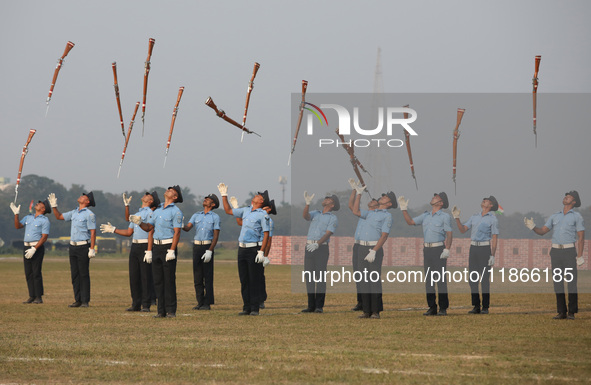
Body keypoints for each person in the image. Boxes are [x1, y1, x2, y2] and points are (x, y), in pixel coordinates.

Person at [524, 190, 585, 319]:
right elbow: (542, 231)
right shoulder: (554, 216)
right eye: (565, 196)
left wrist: (579, 255)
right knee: (557, 282)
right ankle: (561, 312)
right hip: (555, 252)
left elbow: (581, 237)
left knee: (571, 282)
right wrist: (533, 227)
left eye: (569, 197)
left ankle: (572, 312)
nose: (566, 197)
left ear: (573, 202)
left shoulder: (577, 217)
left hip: (569, 251)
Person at [100, 191, 160, 312]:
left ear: (150, 201)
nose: (145, 194)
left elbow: (151, 231)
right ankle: (135, 303)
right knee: (134, 276)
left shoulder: (151, 213)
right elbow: (128, 231)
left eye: (148, 195)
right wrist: (114, 229)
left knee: (145, 276)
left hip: (145, 245)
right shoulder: (138, 213)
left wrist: (149, 250)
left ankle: (145, 304)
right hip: (135, 245)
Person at [130, 186, 183, 318]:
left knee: (169, 279)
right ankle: (161, 311)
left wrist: (172, 250)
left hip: (168, 246)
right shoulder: (158, 210)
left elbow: (177, 232)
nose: (168, 191)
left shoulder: (176, 211)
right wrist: (140, 223)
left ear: (175, 197)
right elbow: (149, 228)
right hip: (156, 247)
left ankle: (171, 310)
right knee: (158, 280)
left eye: (171, 191)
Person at [218, 183, 270, 316]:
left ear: (261, 201)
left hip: (254, 249)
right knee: (244, 280)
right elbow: (228, 211)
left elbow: (266, 234)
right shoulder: (246, 210)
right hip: (242, 249)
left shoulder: (262, 214)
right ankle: (246, 307)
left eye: (259, 196)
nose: (256, 195)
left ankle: (254, 308)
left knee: (254, 279)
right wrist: (224, 195)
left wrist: (261, 252)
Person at [400, 192, 453, 316]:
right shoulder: (426, 215)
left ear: (441, 203)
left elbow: (449, 233)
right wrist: (404, 209)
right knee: (429, 280)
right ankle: (432, 307)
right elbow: (411, 222)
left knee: (440, 280)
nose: (433, 197)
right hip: (427, 250)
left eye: (437, 197)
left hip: (439, 249)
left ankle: (443, 308)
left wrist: (447, 249)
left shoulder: (445, 217)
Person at [351, 183, 394, 319]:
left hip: (374, 248)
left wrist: (374, 250)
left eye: (385, 197)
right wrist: (359, 193)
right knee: (363, 280)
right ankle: (366, 310)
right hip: (362, 248)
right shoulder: (370, 213)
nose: (381, 198)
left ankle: (375, 311)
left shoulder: (387, 216)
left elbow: (384, 235)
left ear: (389, 203)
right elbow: (355, 211)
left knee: (374, 280)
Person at [48, 191, 97, 308]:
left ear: (87, 201)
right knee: (75, 274)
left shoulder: (89, 214)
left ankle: (85, 301)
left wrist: (92, 248)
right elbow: (59, 216)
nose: (80, 196)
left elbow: (93, 232)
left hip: (83, 246)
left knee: (83, 274)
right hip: (73, 246)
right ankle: (77, 300)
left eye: (84, 196)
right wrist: (54, 206)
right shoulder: (74, 212)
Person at [452, 196, 499, 314]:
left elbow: (494, 238)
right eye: (484, 199)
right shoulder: (474, 217)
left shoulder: (493, 219)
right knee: (472, 279)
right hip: (473, 248)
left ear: (491, 205)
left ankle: (485, 307)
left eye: (487, 200)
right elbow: (463, 229)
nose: (484, 200)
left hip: (484, 249)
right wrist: (457, 218)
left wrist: (492, 255)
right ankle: (476, 306)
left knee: (484, 279)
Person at [301, 191, 339, 314]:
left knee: (320, 277)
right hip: (309, 246)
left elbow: (328, 233)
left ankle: (319, 306)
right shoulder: (316, 213)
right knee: (309, 277)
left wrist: (317, 244)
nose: (325, 199)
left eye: (328, 198)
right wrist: (307, 204)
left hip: (321, 247)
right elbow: (306, 216)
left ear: (332, 204)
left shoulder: (333, 218)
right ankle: (310, 305)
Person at [182, 193, 220, 311]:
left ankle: (207, 303)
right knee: (197, 276)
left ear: (212, 204)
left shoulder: (215, 217)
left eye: (208, 199)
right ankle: (200, 302)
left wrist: (210, 250)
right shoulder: (196, 215)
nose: (205, 200)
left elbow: (216, 236)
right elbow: (188, 228)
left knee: (207, 276)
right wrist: (181, 224)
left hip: (207, 246)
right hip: (197, 246)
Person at [10, 199, 51, 304]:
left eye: (40, 204)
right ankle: (31, 296)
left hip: (36, 247)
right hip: (26, 247)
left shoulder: (45, 220)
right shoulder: (28, 217)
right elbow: (17, 226)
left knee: (36, 272)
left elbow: (44, 237)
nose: (37, 204)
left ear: (43, 208)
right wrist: (16, 214)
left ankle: (38, 296)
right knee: (28, 273)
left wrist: (34, 248)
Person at [347, 179, 378, 312]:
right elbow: (351, 206)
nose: (371, 201)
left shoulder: (372, 215)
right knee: (358, 275)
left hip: (367, 246)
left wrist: (358, 192)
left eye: (374, 201)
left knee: (366, 276)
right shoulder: (364, 213)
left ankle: (365, 302)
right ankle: (361, 301)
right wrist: (354, 190)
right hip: (358, 245)